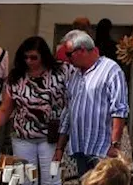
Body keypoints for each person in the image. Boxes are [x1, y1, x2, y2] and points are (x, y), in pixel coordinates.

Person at [0, 36, 66, 185]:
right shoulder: (16, 76)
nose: (29, 61)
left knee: (51, 181)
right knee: (26, 182)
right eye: (25, 57)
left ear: (43, 56)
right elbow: (6, 108)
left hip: (51, 136)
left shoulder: (60, 73)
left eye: (34, 57)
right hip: (23, 135)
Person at [55, 30, 128, 176]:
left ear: (81, 50)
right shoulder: (75, 76)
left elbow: (119, 110)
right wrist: (60, 148)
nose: (67, 59)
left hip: (103, 149)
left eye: (69, 54)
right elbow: (68, 113)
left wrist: (114, 145)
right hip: (81, 147)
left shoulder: (110, 70)